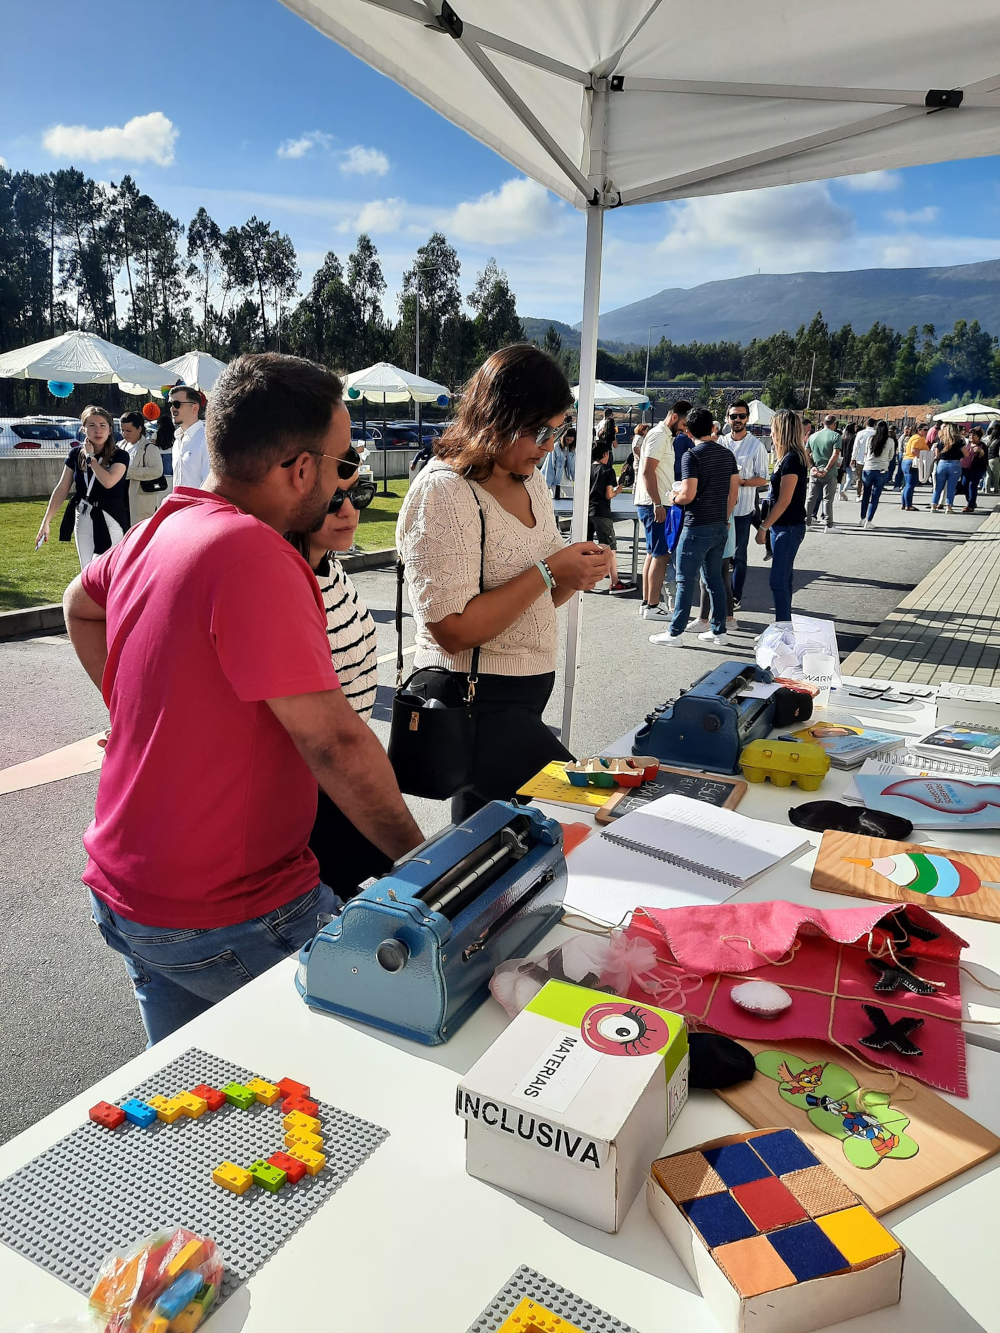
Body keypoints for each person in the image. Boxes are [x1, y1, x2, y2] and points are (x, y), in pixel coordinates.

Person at [62, 352, 423, 1044]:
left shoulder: (160, 527)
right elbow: (334, 741)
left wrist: (132, 709)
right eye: (343, 461)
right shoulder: (257, 555)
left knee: (202, 1091)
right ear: (301, 469)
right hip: (234, 911)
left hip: (128, 895)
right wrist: (426, 866)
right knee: (399, 1037)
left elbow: (79, 603)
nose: (347, 479)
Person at [396, 344, 611, 823]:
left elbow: (538, 599)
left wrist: (576, 572)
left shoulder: (528, 478)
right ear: (498, 418)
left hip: (517, 700)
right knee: (589, 810)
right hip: (476, 702)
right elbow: (451, 630)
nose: (550, 445)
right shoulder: (444, 490)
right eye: (541, 431)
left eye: (559, 431)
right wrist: (550, 570)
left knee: (489, 837)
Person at [286, 457, 385, 896]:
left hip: (341, 782)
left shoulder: (328, 564)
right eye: (332, 500)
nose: (349, 511)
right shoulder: (285, 580)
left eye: (358, 494)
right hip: (307, 796)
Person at [648, 406, 738, 648]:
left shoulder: (692, 456)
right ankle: (719, 631)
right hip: (719, 525)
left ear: (688, 431)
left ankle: (675, 633)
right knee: (714, 580)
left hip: (696, 525)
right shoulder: (727, 455)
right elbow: (733, 494)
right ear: (712, 427)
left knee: (685, 580)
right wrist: (724, 518)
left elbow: (688, 494)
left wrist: (673, 496)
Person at [36, 405, 130, 568]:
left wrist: (90, 458)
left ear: (109, 430)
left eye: (102, 425)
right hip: (84, 514)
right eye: (91, 425)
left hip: (110, 516)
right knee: (86, 569)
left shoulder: (120, 455)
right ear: (83, 429)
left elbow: (108, 482)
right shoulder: (75, 454)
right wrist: (46, 521)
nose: (97, 430)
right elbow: (62, 488)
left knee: (106, 568)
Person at [634, 400, 691, 620]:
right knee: (660, 555)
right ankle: (652, 605)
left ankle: (647, 603)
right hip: (655, 503)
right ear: (675, 417)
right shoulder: (659, 435)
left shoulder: (663, 435)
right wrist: (657, 503)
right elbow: (647, 471)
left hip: (655, 501)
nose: (684, 429)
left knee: (653, 553)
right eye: (683, 424)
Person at [756, 409, 808, 623]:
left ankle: (783, 627)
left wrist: (763, 527)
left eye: (773, 429)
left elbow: (784, 500)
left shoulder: (792, 459)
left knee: (778, 580)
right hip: (782, 526)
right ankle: (784, 625)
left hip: (788, 526)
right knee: (784, 579)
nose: (771, 433)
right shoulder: (788, 458)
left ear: (782, 431)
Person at [721, 399, 768, 610]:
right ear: (727, 419)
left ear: (747, 419)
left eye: (741, 416)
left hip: (743, 509)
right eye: (734, 416)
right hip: (720, 508)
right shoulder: (721, 442)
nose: (737, 420)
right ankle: (719, 592)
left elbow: (763, 478)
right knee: (719, 554)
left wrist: (742, 482)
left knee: (738, 555)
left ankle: (735, 596)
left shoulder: (756, 446)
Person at [588, 438, 629, 593]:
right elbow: (608, 494)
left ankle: (585, 581)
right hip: (601, 512)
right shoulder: (608, 470)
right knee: (610, 547)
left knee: (587, 547)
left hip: (587, 512)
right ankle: (614, 582)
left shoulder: (588, 469)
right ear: (605, 454)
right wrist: (618, 491)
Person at [121, 411, 165, 525]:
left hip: (141, 499)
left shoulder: (150, 448)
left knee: (139, 529)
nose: (125, 434)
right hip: (121, 497)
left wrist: (128, 472)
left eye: (128, 431)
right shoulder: (120, 445)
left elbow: (157, 471)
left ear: (139, 429)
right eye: (122, 430)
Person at [805, 413, 842, 530]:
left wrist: (811, 467)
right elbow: (835, 454)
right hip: (829, 472)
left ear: (823, 423)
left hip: (815, 471)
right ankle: (828, 524)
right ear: (834, 424)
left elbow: (806, 453)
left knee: (811, 497)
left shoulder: (813, 436)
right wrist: (826, 468)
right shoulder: (835, 436)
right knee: (827, 499)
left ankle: (806, 522)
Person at [169, 384, 210, 489]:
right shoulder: (177, 441)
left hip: (199, 500)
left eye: (177, 404)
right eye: (170, 404)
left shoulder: (206, 440)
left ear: (195, 408)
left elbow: (208, 484)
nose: (172, 408)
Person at [859, 420, 895, 527]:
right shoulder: (890, 441)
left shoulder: (871, 439)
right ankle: (869, 521)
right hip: (881, 469)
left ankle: (862, 518)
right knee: (875, 496)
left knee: (866, 494)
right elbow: (891, 456)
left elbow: (867, 452)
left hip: (868, 468)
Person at [931, 423, 965, 513]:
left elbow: (937, 454)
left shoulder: (941, 440)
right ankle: (948, 507)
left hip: (942, 463)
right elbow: (966, 454)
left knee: (938, 487)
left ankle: (933, 505)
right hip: (954, 464)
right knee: (951, 487)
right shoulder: (959, 441)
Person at [899, 422, 929, 510]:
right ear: (919, 430)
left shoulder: (914, 437)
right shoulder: (918, 438)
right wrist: (922, 456)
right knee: (910, 485)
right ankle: (908, 505)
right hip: (912, 462)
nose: (926, 432)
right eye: (925, 430)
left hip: (906, 461)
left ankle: (904, 504)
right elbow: (914, 450)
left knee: (907, 485)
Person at [963, 427, 988, 513]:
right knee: (964, 485)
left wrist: (981, 451)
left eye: (973, 435)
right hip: (966, 469)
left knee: (972, 485)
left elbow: (983, 455)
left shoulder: (982, 446)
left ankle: (970, 505)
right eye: (970, 435)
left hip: (977, 469)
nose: (971, 437)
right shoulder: (968, 445)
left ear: (979, 437)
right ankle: (971, 501)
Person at [852, 418, 877, 499]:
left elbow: (856, 447)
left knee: (859, 478)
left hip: (860, 459)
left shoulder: (860, 433)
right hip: (871, 460)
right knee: (868, 479)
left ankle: (858, 495)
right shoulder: (876, 433)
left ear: (866, 424)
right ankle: (864, 494)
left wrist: (853, 458)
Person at [837, 422, 857, 497]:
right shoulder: (853, 437)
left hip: (841, 458)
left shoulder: (842, 437)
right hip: (849, 458)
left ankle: (840, 494)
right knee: (850, 476)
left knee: (842, 477)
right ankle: (844, 489)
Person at [986, 422, 1000, 495]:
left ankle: (987, 489)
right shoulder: (998, 441)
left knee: (988, 475)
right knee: (996, 476)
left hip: (988, 459)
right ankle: (996, 489)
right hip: (995, 459)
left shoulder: (990, 441)